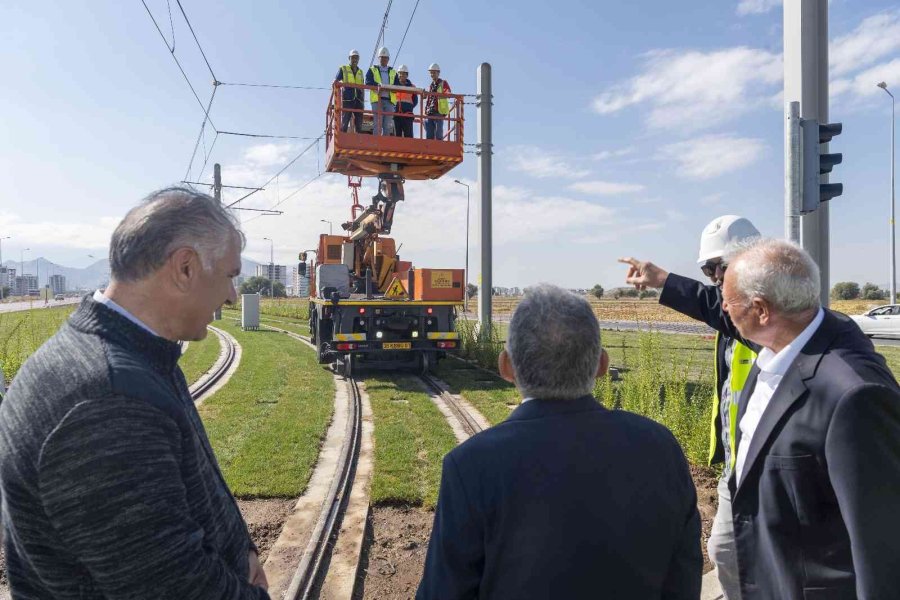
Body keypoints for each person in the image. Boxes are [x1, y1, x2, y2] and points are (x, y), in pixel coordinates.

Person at [0, 188, 269, 598]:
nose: (232, 295)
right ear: (185, 268)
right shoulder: (107, 402)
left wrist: (243, 551)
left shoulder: (134, 354)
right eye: (231, 275)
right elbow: (169, 585)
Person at [625, 238, 900, 599]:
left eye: (728, 298)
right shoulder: (784, 342)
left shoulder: (854, 395)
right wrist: (665, 281)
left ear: (761, 310)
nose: (722, 307)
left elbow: (882, 548)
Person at [417, 284, 701, 600]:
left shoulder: (469, 466)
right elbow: (683, 580)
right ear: (602, 366)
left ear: (505, 367)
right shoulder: (660, 447)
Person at [620, 214, 760, 600]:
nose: (714, 277)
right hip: (737, 465)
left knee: (757, 556)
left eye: (719, 267)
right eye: (707, 269)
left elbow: (717, 308)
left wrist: (664, 281)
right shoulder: (734, 315)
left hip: (766, 466)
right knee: (726, 550)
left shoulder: (764, 315)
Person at [365, 46, 397, 136]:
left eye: (385, 58)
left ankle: (385, 142)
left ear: (388, 59)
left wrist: (391, 88)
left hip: (389, 100)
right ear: (378, 58)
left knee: (387, 124)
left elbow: (397, 84)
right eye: (382, 57)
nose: (383, 59)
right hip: (377, 99)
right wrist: (377, 86)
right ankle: (376, 141)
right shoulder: (373, 69)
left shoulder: (393, 72)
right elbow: (368, 82)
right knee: (378, 123)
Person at [335, 48, 365, 133]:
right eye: (353, 58)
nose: (354, 60)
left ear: (358, 59)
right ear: (349, 58)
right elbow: (335, 81)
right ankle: (343, 135)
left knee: (359, 123)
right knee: (345, 121)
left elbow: (362, 87)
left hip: (358, 99)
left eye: (356, 58)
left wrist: (363, 101)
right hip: (348, 98)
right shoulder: (343, 69)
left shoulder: (360, 72)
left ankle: (358, 138)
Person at [424, 63, 451, 140]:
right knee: (429, 133)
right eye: (431, 73)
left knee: (438, 132)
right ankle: (430, 146)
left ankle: (439, 145)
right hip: (430, 111)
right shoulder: (431, 85)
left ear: (438, 73)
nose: (432, 74)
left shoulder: (443, 83)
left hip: (439, 111)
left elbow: (448, 92)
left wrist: (444, 94)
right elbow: (429, 98)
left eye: (434, 72)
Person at [393, 64, 418, 138]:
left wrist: (408, 107)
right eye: (400, 73)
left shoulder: (412, 87)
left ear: (407, 75)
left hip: (408, 114)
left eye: (403, 73)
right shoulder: (394, 86)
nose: (401, 75)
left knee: (409, 136)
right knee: (397, 136)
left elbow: (415, 101)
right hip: (396, 114)